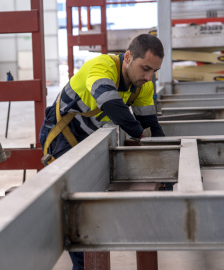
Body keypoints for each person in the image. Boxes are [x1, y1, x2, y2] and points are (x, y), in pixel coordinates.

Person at [39, 34, 165, 269]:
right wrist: (140, 134)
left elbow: (152, 126)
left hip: (91, 142)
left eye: (153, 71)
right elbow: (111, 104)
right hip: (63, 139)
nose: (149, 77)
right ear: (128, 57)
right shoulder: (101, 67)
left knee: (87, 211)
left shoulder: (142, 86)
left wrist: (168, 162)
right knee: (76, 213)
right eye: (145, 68)